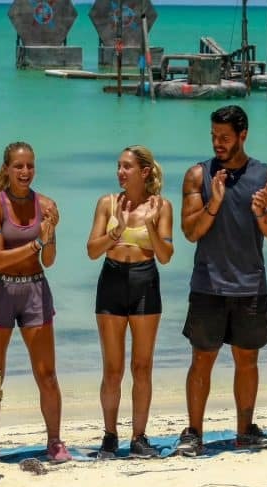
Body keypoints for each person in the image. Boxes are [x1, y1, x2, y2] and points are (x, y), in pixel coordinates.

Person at [177, 105, 267, 457]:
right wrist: (214, 202)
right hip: (208, 284)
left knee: (247, 361)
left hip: (250, 285)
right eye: (213, 136)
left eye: (224, 137)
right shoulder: (198, 175)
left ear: (243, 135)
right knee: (202, 360)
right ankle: (194, 432)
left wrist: (263, 213)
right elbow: (190, 231)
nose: (217, 143)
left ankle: (245, 431)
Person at [0, 142, 71, 462]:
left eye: (30, 165)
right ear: (6, 169)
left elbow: (50, 259)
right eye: (18, 166)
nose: (25, 171)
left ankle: (55, 441)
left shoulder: (46, 205)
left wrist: (50, 232)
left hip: (34, 289)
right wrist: (37, 242)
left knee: (47, 373)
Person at [86, 145, 174, 459]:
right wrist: (117, 232)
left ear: (144, 171)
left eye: (127, 167)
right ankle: (110, 436)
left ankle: (139, 437)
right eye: (119, 166)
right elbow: (92, 250)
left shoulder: (162, 206)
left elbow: (165, 255)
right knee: (112, 369)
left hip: (144, 281)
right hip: (111, 280)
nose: (120, 172)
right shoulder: (107, 203)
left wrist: (149, 225)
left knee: (142, 366)